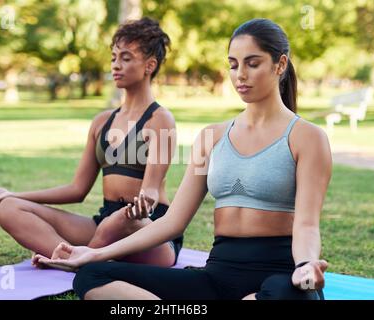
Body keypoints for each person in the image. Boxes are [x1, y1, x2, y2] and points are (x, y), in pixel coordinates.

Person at [36, 18, 332, 300]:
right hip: (218, 275)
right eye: (233, 65)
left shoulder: (307, 137)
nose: (240, 75)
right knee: (93, 275)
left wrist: (305, 264)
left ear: (280, 64)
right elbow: (173, 221)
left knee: (292, 292)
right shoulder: (210, 138)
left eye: (252, 64)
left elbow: (306, 224)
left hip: (278, 276)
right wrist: (94, 253)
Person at [0, 17, 183, 268]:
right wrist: (13, 194)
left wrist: (141, 207)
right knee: (9, 209)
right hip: (103, 225)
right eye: (113, 57)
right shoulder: (102, 121)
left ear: (149, 65)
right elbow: (77, 189)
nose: (116, 65)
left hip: (148, 231)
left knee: (119, 220)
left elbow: (151, 193)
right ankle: (74, 257)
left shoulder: (160, 120)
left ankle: (79, 259)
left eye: (126, 58)